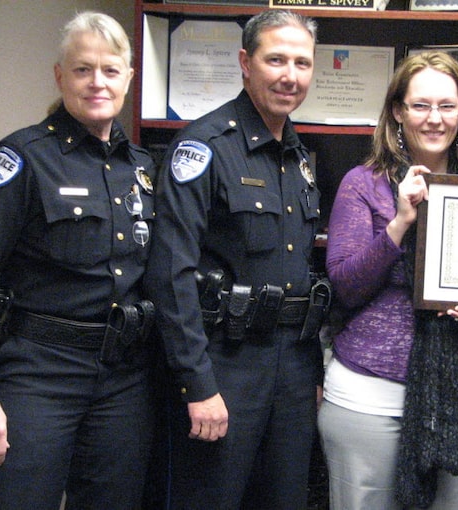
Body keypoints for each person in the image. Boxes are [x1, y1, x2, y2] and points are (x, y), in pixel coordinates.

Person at [0, 11, 156, 509]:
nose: (97, 82)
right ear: (60, 76)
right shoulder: (22, 157)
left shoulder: (143, 170)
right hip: (38, 374)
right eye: (83, 69)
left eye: (110, 70)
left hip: (124, 379)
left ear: (129, 77)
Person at [144, 9, 324, 509]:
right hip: (224, 366)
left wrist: (311, 374)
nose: (290, 75)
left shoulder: (300, 157)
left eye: (302, 63)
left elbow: (302, 274)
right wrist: (197, 383)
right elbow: (170, 273)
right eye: (276, 60)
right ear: (246, 62)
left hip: (291, 368)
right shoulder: (203, 146)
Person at [318, 51, 458, 509]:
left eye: (447, 106)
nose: (435, 119)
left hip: (456, 397)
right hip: (367, 399)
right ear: (397, 110)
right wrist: (400, 221)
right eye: (420, 105)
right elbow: (346, 285)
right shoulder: (362, 184)